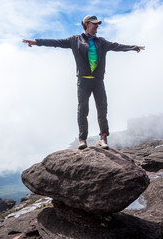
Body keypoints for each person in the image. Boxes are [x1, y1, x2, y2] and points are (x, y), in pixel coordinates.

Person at [23, 15, 145, 150]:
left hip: (98, 81)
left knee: (102, 110)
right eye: (95, 24)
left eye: (98, 24)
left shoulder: (102, 42)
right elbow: (56, 42)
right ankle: (82, 139)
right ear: (87, 24)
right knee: (83, 110)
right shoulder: (75, 40)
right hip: (83, 81)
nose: (97, 26)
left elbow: (117, 46)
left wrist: (135, 48)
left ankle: (103, 138)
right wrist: (36, 42)